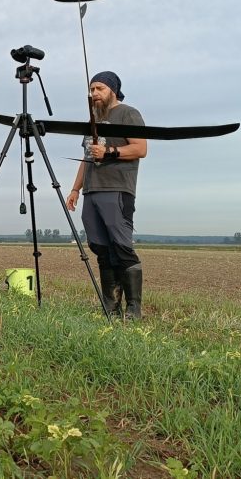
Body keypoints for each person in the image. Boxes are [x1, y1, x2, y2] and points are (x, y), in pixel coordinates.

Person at [65, 71, 148, 320]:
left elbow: (140, 148)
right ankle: (110, 307)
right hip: (91, 191)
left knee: (121, 247)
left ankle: (133, 309)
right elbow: (88, 158)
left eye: (99, 88)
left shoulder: (128, 113)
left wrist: (109, 151)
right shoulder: (93, 121)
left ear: (112, 89)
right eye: (91, 90)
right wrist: (75, 189)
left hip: (117, 189)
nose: (94, 94)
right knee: (100, 247)